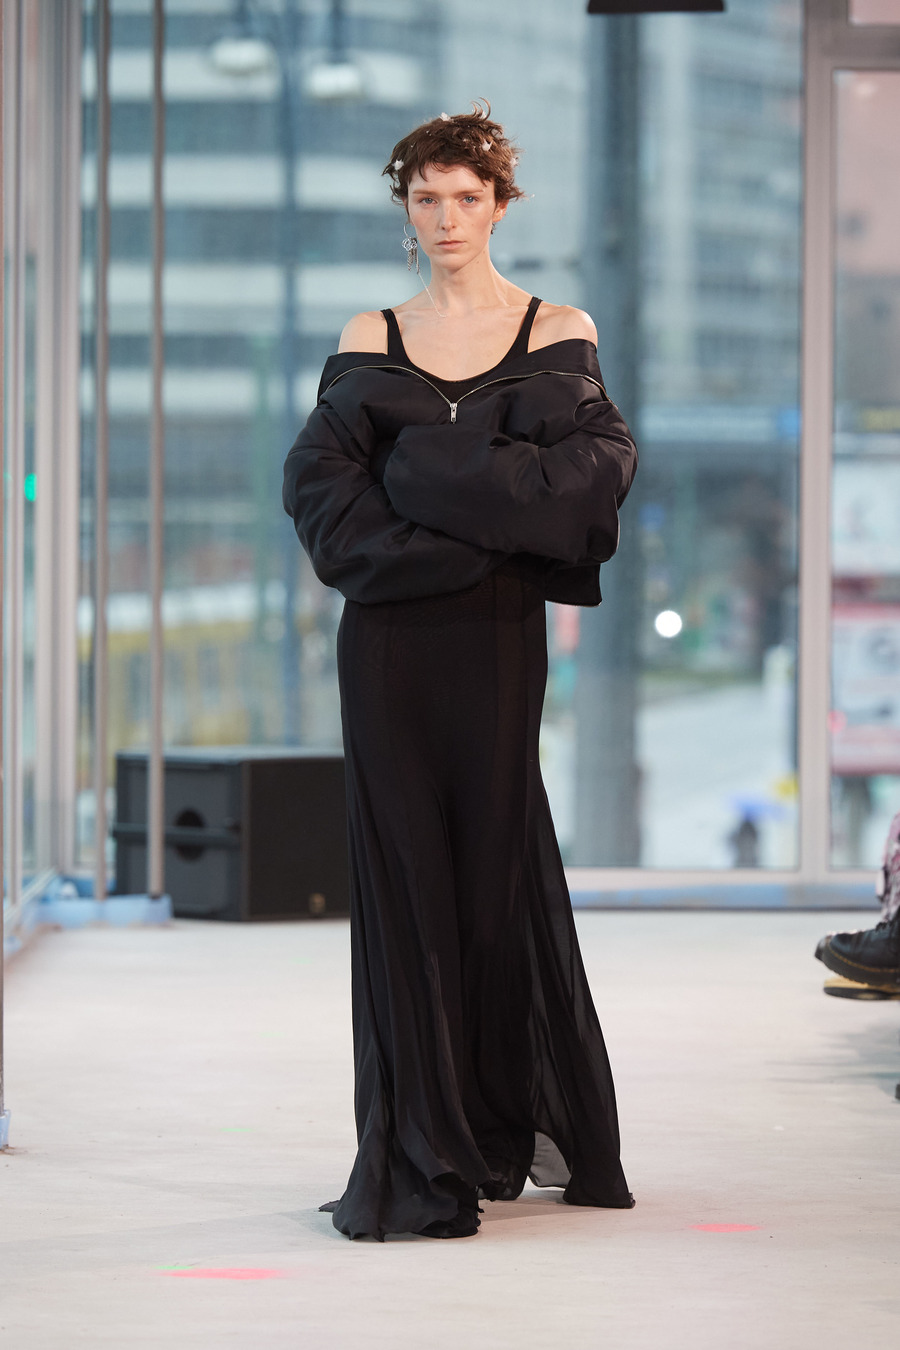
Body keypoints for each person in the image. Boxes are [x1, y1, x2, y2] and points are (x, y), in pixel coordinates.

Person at [282, 103, 638, 1241]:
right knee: (402, 883)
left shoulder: (559, 328)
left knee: (489, 876)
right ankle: (416, 1144)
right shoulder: (369, 333)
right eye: (426, 198)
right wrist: (494, 516)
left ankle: (487, 1128)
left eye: (466, 198)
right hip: (387, 647)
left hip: (496, 646)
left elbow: (591, 483)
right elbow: (325, 508)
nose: (446, 218)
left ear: (500, 206)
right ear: (406, 208)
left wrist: (420, 471)